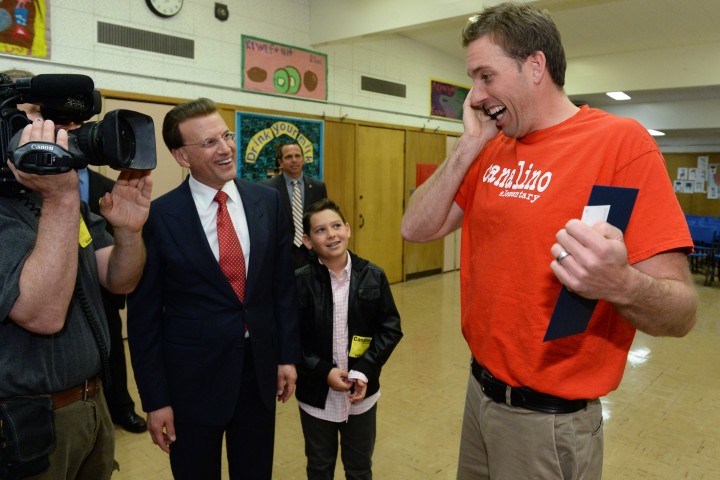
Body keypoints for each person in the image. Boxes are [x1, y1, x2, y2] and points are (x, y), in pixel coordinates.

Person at [400, 3, 698, 479]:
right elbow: (415, 228)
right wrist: (469, 144)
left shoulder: (620, 144)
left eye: (485, 76)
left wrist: (620, 283)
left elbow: (682, 313)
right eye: (473, 80)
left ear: (535, 66)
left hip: (548, 423)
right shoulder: (492, 146)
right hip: (480, 395)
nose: (475, 96)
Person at [127, 97, 301, 480]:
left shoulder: (268, 202)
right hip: (191, 385)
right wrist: (155, 400)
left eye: (227, 136)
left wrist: (287, 356)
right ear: (182, 156)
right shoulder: (159, 218)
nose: (225, 149)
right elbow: (143, 320)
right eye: (209, 142)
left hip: (258, 376)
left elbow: (282, 287)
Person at [0, 118, 152, 479]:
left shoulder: (63, 205)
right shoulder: (54, 201)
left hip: (92, 403)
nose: (57, 132)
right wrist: (61, 197)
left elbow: (119, 280)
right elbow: (44, 315)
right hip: (29, 422)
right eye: (32, 118)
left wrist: (129, 232)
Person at [295, 198, 403, 480]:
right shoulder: (299, 282)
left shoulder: (373, 276)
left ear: (347, 229)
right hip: (316, 397)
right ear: (307, 241)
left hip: (362, 394)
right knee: (319, 466)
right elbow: (290, 339)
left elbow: (390, 329)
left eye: (336, 226)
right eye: (320, 230)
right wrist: (324, 371)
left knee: (359, 467)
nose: (331, 234)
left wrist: (365, 369)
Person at [81, 167, 147, 433]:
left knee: (113, 350)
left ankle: (122, 407)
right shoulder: (24, 189)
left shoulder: (109, 186)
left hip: (103, 288)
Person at [261, 141, 327, 269]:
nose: (294, 160)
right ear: (280, 162)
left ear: (303, 159)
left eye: (297, 156)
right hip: (280, 253)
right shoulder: (267, 188)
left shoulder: (318, 187)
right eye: (288, 157)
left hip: (311, 251)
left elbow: (324, 219)